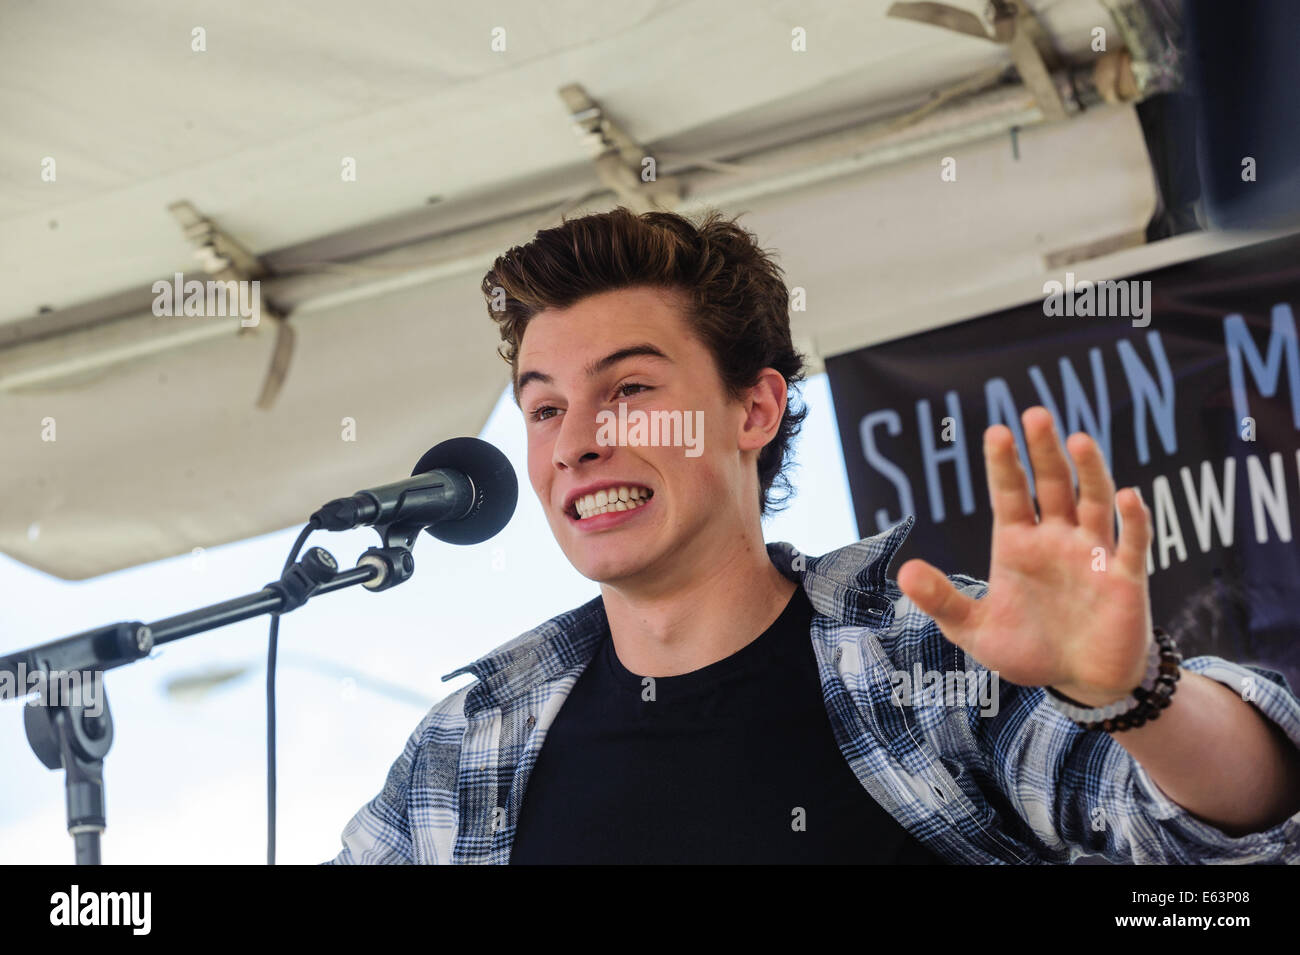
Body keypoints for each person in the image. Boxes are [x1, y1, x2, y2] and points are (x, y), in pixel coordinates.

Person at [325, 207, 1300, 864]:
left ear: (753, 410)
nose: (576, 442)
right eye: (544, 409)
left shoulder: (926, 663)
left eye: (629, 388)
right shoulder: (465, 747)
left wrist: (1136, 693)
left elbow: (1232, 837)